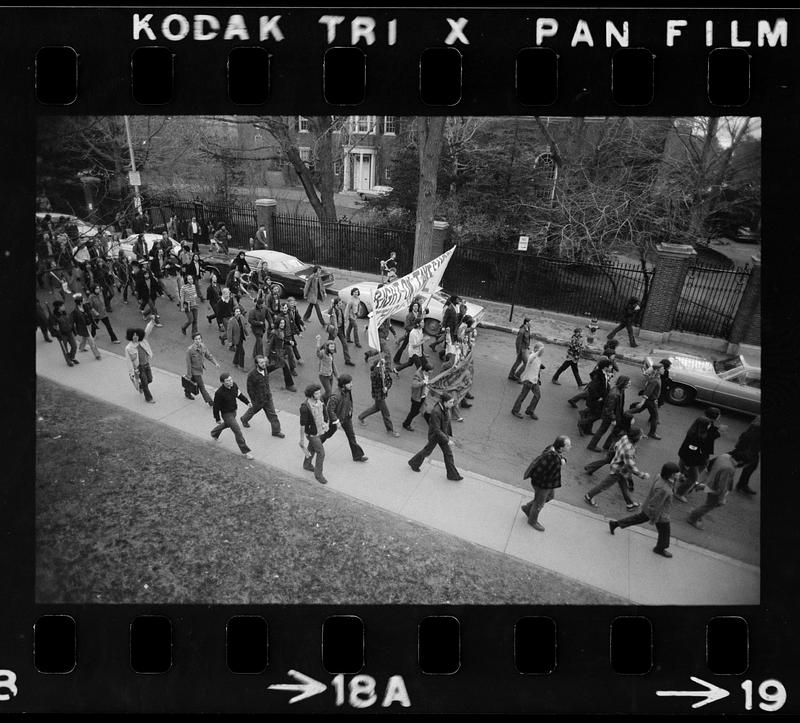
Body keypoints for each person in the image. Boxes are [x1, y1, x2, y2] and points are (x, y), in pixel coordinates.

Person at [609, 461, 681, 558]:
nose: (679, 474)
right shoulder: (664, 489)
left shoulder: (660, 477)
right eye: (677, 473)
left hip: (649, 508)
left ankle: (615, 524)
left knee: (637, 518)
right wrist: (654, 517)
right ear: (671, 474)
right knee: (665, 531)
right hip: (659, 513)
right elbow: (655, 504)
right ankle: (660, 548)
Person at [583, 427, 648, 509]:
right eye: (641, 436)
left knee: (624, 486)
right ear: (636, 438)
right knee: (604, 485)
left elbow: (616, 446)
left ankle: (630, 504)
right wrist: (642, 475)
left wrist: (619, 454)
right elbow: (630, 465)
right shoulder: (628, 450)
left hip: (619, 467)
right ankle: (589, 496)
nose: (641, 437)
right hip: (618, 470)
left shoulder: (625, 438)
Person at [520, 435, 571, 531]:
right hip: (543, 484)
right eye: (568, 446)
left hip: (545, 483)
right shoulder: (554, 458)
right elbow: (551, 471)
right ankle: (532, 521)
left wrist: (561, 460)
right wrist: (561, 462)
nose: (570, 447)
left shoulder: (551, 448)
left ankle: (528, 508)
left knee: (549, 496)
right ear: (561, 447)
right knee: (539, 503)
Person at [408, 392, 463, 481]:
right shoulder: (436, 411)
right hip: (435, 436)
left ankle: (452, 475)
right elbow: (436, 429)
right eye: (451, 402)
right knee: (427, 451)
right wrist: (447, 440)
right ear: (445, 402)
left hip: (442, 435)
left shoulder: (445, 408)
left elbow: (446, 422)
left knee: (448, 454)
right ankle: (414, 463)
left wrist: (449, 435)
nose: (452, 404)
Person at [674, 407, 723, 502]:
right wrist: (689, 465)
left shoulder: (699, 428)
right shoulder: (696, 438)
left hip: (693, 458)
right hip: (692, 460)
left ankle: (683, 477)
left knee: (688, 468)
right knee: (693, 478)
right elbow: (692, 452)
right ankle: (679, 493)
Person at [687, 452, 746, 530]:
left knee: (709, 504)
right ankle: (693, 517)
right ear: (741, 461)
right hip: (715, 489)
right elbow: (722, 485)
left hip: (711, 481)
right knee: (709, 505)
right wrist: (722, 498)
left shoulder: (725, 456)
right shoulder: (729, 468)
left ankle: (695, 512)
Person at [320, 374, 368, 462]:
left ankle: (357, 456)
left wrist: (349, 411)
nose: (351, 384)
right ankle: (315, 445)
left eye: (351, 382)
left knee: (351, 437)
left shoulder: (347, 391)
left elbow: (348, 402)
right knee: (328, 434)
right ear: (343, 385)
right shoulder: (336, 396)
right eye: (349, 383)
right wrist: (336, 420)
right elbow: (330, 409)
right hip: (338, 420)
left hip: (346, 418)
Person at [211, 373, 254, 459]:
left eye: (231, 379)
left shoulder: (234, 385)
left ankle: (214, 433)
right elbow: (216, 407)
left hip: (234, 411)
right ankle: (246, 452)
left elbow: (239, 395)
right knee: (237, 431)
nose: (230, 382)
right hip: (226, 414)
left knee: (228, 424)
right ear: (223, 382)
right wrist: (217, 418)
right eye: (228, 381)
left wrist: (247, 402)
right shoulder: (219, 393)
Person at [241, 354, 285, 438]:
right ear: (257, 364)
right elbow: (250, 389)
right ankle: (244, 419)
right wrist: (254, 400)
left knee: (273, 415)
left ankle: (276, 431)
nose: (264, 364)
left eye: (264, 362)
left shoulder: (265, 369)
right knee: (252, 411)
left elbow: (273, 367)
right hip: (258, 400)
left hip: (268, 397)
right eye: (261, 363)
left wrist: (279, 362)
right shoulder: (252, 375)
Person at [358, 351, 400, 436]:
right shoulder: (375, 374)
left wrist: (386, 387)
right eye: (382, 365)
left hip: (382, 395)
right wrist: (379, 368)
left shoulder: (385, 372)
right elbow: (376, 377)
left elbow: (389, 381)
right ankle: (390, 430)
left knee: (376, 408)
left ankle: (361, 416)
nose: (384, 366)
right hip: (378, 396)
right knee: (386, 413)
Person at [587, 375, 630, 451]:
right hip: (609, 416)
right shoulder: (615, 394)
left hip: (615, 415)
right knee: (602, 430)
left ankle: (606, 445)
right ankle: (592, 445)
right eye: (628, 382)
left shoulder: (620, 390)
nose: (630, 384)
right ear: (624, 383)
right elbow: (609, 409)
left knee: (613, 430)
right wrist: (613, 419)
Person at [299, 383, 330, 484]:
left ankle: (307, 464)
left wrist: (326, 422)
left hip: (319, 430)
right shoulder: (305, 407)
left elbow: (324, 411)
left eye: (319, 393)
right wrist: (302, 439)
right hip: (312, 434)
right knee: (321, 452)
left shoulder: (320, 401)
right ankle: (318, 475)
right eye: (317, 393)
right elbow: (302, 425)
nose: (319, 395)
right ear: (311, 395)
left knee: (312, 448)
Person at [577, 358, 613, 436]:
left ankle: (588, 430)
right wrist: (598, 397)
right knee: (597, 415)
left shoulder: (603, 373)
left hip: (599, 399)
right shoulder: (599, 376)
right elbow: (592, 388)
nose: (611, 368)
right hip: (596, 400)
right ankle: (582, 423)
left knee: (592, 413)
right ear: (605, 367)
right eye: (610, 366)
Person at [125, 317, 157, 403]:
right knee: (145, 383)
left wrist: (152, 322)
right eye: (133, 335)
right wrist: (131, 373)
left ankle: (140, 386)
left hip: (147, 364)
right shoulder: (129, 347)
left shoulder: (142, 341)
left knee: (150, 379)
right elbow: (129, 361)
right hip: (139, 368)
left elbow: (147, 330)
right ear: (130, 337)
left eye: (137, 335)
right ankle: (149, 398)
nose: (135, 337)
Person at [511, 343, 544, 420]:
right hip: (528, 381)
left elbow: (537, 368)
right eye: (541, 350)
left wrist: (538, 377)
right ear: (536, 350)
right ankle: (515, 410)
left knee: (537, 396)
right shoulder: (532, 356)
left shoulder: (539, 357)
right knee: (522, 396)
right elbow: (532, 359)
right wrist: (538, 352)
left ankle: (530, 410)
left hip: (535, 381)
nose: (543, 352)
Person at [630, 363, 663, 439]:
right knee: (654, 417)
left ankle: (626, 414)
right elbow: (648, 392)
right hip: (651, 401)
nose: (663, 370)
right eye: (662, 369)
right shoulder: (654, 380)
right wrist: (642, 402)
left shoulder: (656, 377)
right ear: (657, 370)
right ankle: (652, 433)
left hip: (651, 400)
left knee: (638, 409)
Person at [185, 332, 220, 404]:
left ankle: (187, 392)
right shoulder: (190, 350)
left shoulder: (203, 346)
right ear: (193, 340)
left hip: (200, 369)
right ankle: (210, 401)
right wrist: (189, 375)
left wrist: (215, 363)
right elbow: (188, 364)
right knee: (201, 386)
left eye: (199, 339)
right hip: (194, 371)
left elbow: (209, 355)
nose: (198, 340)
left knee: (191, 382)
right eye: (196, 339)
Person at [265, 318, 297, 391]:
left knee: (276, 366)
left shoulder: (281, 331)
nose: (282, 324)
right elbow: (269, 344)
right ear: (278, 324)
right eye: (281, 323)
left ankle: (263, 371)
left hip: (280, 352)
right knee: (285, 367)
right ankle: (289, 385)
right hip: (276, 353)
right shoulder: (274, 333)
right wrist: (266, 356)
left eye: (283, 323)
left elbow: (282, 340)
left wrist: (289, 342)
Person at [732, 415, 760, 495]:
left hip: (754, 437)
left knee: (751, 463)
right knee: (745, 458)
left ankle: (742, 484)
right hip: (754, 437)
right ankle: (742, 484)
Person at [403, 359, 433, 431]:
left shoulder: (425, 374)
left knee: (421, 410)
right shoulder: (418, 375)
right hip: (417, 398)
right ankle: (406, 424)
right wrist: (423, 382)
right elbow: (414, 385)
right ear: (426, 370)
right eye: (430, 371)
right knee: (414, 412)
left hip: (422, 396)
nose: (431, 372)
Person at [71, 293, 101, 360]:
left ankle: (81, 348)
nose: (84, 300)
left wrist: (95, 313)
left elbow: (90, 309)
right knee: (91, 340)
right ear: (80, 302)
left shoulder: (85, 306)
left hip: (88, 325)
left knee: (84, 337)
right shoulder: (75, 311)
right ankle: (97, 355)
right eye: (83, 300)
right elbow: (73, 321)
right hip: (83, 327)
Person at [326, 296, 354, 366]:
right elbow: (328, 312)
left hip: (340, 330)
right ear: (336, 304)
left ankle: (347, 360)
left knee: (345, 344)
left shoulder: (341, 309)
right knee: (329, 344)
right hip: (334, 330)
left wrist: (344, 324)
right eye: (340, 303)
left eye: (341, 302)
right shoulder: (333, 310)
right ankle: (326, 357)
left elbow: (343, 317)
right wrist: (331, 305)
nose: (341, 304)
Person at [394, 300, 423, 365]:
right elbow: (406, 326)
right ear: (412, 307)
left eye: (417, 306)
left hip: (415, 334)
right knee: (403, 347)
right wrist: (415, 327)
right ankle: (396, 359)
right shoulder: (409, 315)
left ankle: (413, 360)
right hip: (410, 334)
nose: (416, 307)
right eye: (414, 306)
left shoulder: (418, 314)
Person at [50, 300, 78, 365]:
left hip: (69, 332)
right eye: (62, 306)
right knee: (65, 349)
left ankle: (71, 357)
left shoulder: (65, 313)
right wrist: (57, 333)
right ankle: (68, 361)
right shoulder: (54, 316)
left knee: (74, 346)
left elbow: (70, 321)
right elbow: (54, 326)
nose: (64, 307)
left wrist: (73, 329)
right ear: (58, 307)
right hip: (62, 335)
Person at [316, 334, 339, 401]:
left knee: (329, 392)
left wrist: (337, 376)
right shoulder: (323, 353)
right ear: (327, 347)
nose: (332, 348)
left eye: (333, 347)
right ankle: (319, 400)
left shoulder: (331, 354)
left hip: (330, 375)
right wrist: (318, 341)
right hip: (323, 376)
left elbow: (333, 365)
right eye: (331, 347)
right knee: (328, 392)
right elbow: (318, 354)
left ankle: (325, 403)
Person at [226, 306, 249, 371]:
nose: (238, 313)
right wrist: (230, 342)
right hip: (236, 339)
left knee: (238, 350)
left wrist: (247, 334)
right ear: (234, 313)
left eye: (239, 311)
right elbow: (229, 332)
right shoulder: (231, 321)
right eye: (237, 312)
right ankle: (241, 366)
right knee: (242, 352)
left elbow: (244, 326)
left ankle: (235, 362)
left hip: (241, 337)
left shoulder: (241, 317)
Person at [248, 295, 270, 361]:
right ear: (259, 304)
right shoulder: (252, 311)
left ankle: (254, 353)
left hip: (262, 329)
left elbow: (268, 316)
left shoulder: (264, 308)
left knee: (258, 341)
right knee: (260, 343)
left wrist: (271, 323)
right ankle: (261, 356)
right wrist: (258, 323)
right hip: (255, 329)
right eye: (263, 304)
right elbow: (250, 320)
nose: (264, 305)